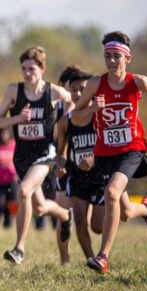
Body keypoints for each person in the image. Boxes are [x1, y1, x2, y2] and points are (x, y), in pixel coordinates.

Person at [73, 31, 147, 274]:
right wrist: (93, 107)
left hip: (131, 150)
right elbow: (76, 115)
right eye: (107, 56)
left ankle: (103, 256)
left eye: (116, 56)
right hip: (105, 153)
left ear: (128, 58)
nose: (111, 61)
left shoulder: (138, 82)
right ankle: (146, 208)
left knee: (112, 193)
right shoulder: (95, 83)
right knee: (125, 211)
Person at [0, 46, 74, 264]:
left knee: (23, 190)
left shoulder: (52, 92)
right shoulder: (13, 91)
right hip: (22, 155)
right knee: (38, 207)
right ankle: (65, 215)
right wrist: (17, 119)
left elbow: (70, 101)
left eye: (31, 69)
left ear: (42, 68)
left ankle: (19, 249)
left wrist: (64, 121)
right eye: (23, 69)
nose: (27, 73)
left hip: (44, 153)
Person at [56, 69, 105, 263]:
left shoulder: (101, 115)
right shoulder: (64, 123)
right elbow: (61, 153)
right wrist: (59, 165)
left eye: (82, 89)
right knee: (80, 221)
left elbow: (110, 144)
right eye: (74, 90)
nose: (78, 94)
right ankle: (92, 260)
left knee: (98, 227)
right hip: (77, 175)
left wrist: (94, 157)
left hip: (101, 175)